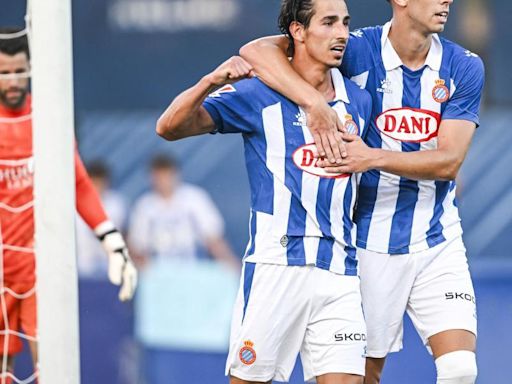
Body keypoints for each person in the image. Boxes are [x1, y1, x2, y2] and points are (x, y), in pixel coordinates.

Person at [239, 0, 485, 383]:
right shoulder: (355, 48)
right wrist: (313, 103)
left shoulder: (464, 65)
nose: (446, 0)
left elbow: (449, 162)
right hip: (367, 240)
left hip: (437, 236)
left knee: (459, 368)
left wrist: (370, 158)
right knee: (365, 374)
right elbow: (255, 52)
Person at [156, 0, 373, 383]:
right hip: (277, 267)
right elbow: (169, 127)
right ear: (298, 31)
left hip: (340, 271)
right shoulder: (258, 95)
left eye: (345, 23)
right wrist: (210, 81)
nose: (342, 33)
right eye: (329, 22)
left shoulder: (359, 100)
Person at [0, 27, 137, 380]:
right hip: (1, 265)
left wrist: (112, 241)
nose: (13, 80)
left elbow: (76, 182)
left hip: (38, 266)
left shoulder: (48, 119)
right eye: (4, 72)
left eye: (20, 71)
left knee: (51, 364)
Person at [129, 154, 239, 270]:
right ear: (151, 178)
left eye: (166, 176)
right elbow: (137, 248)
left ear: (176, 175)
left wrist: (231, 265)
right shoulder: (144, 205)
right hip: (160, 274)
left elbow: (213, 239)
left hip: (194, 269)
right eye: (159, 177)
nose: (163, 182)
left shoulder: (194, 197)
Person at [76, 160, 128, 278]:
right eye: (94, 182)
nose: (97, 187)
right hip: (82, 269)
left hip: (110, 266)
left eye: (100, 182)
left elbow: (125, 236)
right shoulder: (76, 205)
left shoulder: (116, 204)